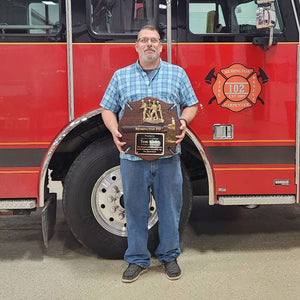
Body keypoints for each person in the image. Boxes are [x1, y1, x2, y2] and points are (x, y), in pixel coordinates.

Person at [100, 25, 199, 283]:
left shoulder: (177, 74)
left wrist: (184, 123)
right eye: (144, 40)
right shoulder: (120, 76)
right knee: (135, 210)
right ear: (136, 46)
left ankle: (169, 256)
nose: (149, 45)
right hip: (132, 160)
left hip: (168, 158)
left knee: (169, 209)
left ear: (161, 46)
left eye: (154, 40)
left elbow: (192, 104)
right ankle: (137, 260)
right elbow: (107, 109)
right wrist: (113, 129)